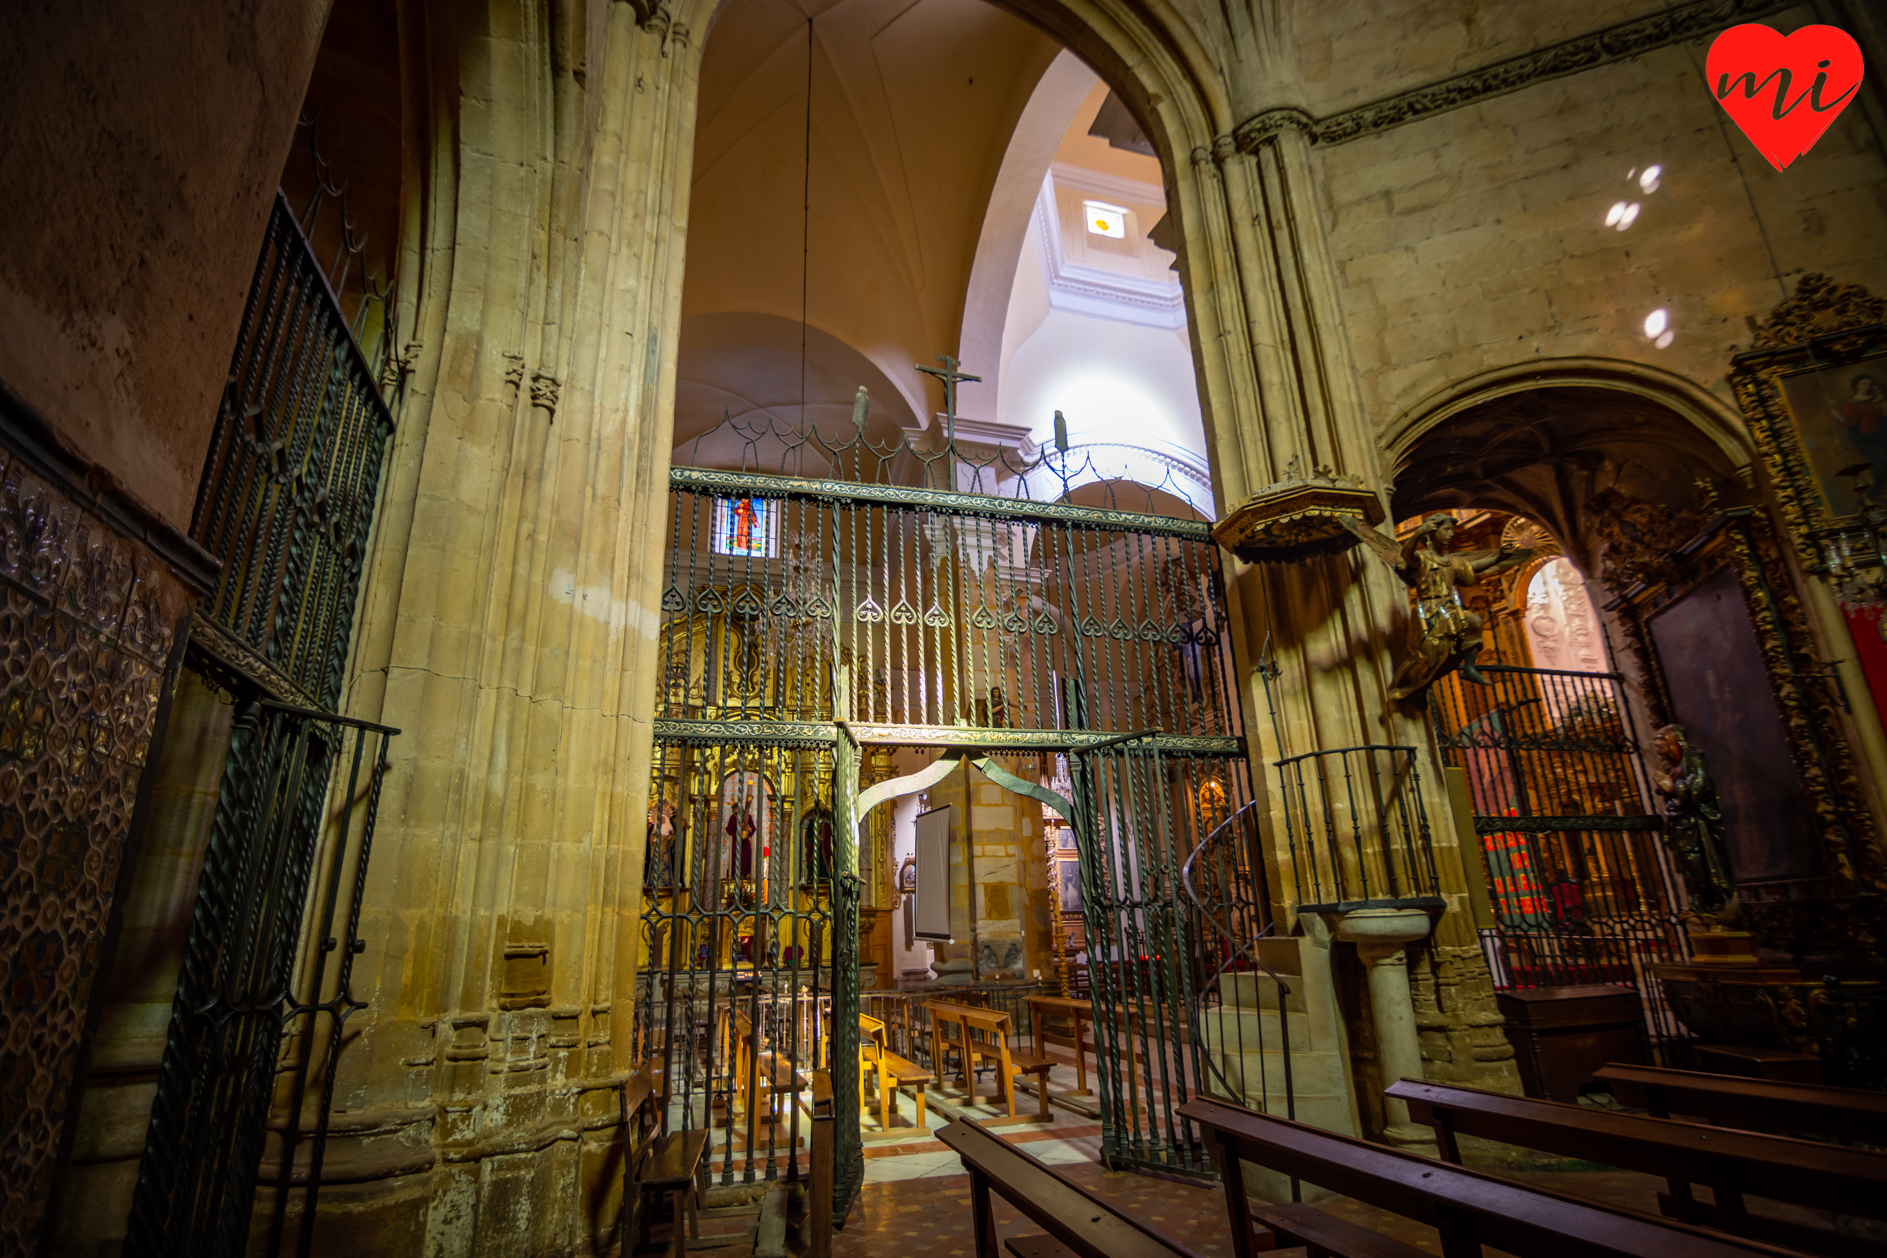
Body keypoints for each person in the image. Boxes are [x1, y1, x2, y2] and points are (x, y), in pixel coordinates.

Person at [1345, 512, 1530, 701]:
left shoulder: (1452, 561)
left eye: (1451, 530)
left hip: (1450, 608)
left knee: (1473, 621)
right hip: (1429, 611)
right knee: (1430, 655)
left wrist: (1499, 557)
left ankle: (1469, 668)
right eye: (1446, 530)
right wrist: (1417, 533)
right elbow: (1405, 555)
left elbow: (1475, 566)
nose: (1451, 534)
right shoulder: (1422, 558)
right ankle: (1412, 687)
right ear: (1432, 533)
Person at [1649, 725, 1736, 919]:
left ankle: (1715, 902)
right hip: (1680, 821)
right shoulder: (1673, 766)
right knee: (1686, 862)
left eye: (1661, 738)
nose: (1656, 743)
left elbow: (1700, 786)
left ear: (1674, 740)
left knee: (1696, 859)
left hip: (1696, 823)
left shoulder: (1694, 758)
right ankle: (1700, 904)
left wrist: (1673, 787)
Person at [1837, 374, 1887, 502]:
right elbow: (1848, 422)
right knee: (1882, 459)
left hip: (1882, 433)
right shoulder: (1851, 403)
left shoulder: (1876, 398)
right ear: (1856, 385)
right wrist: (1837, 415)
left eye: (1869, 384)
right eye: (1863, 383)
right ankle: (1875, 491)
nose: (1867, 386)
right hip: (1866, 438)